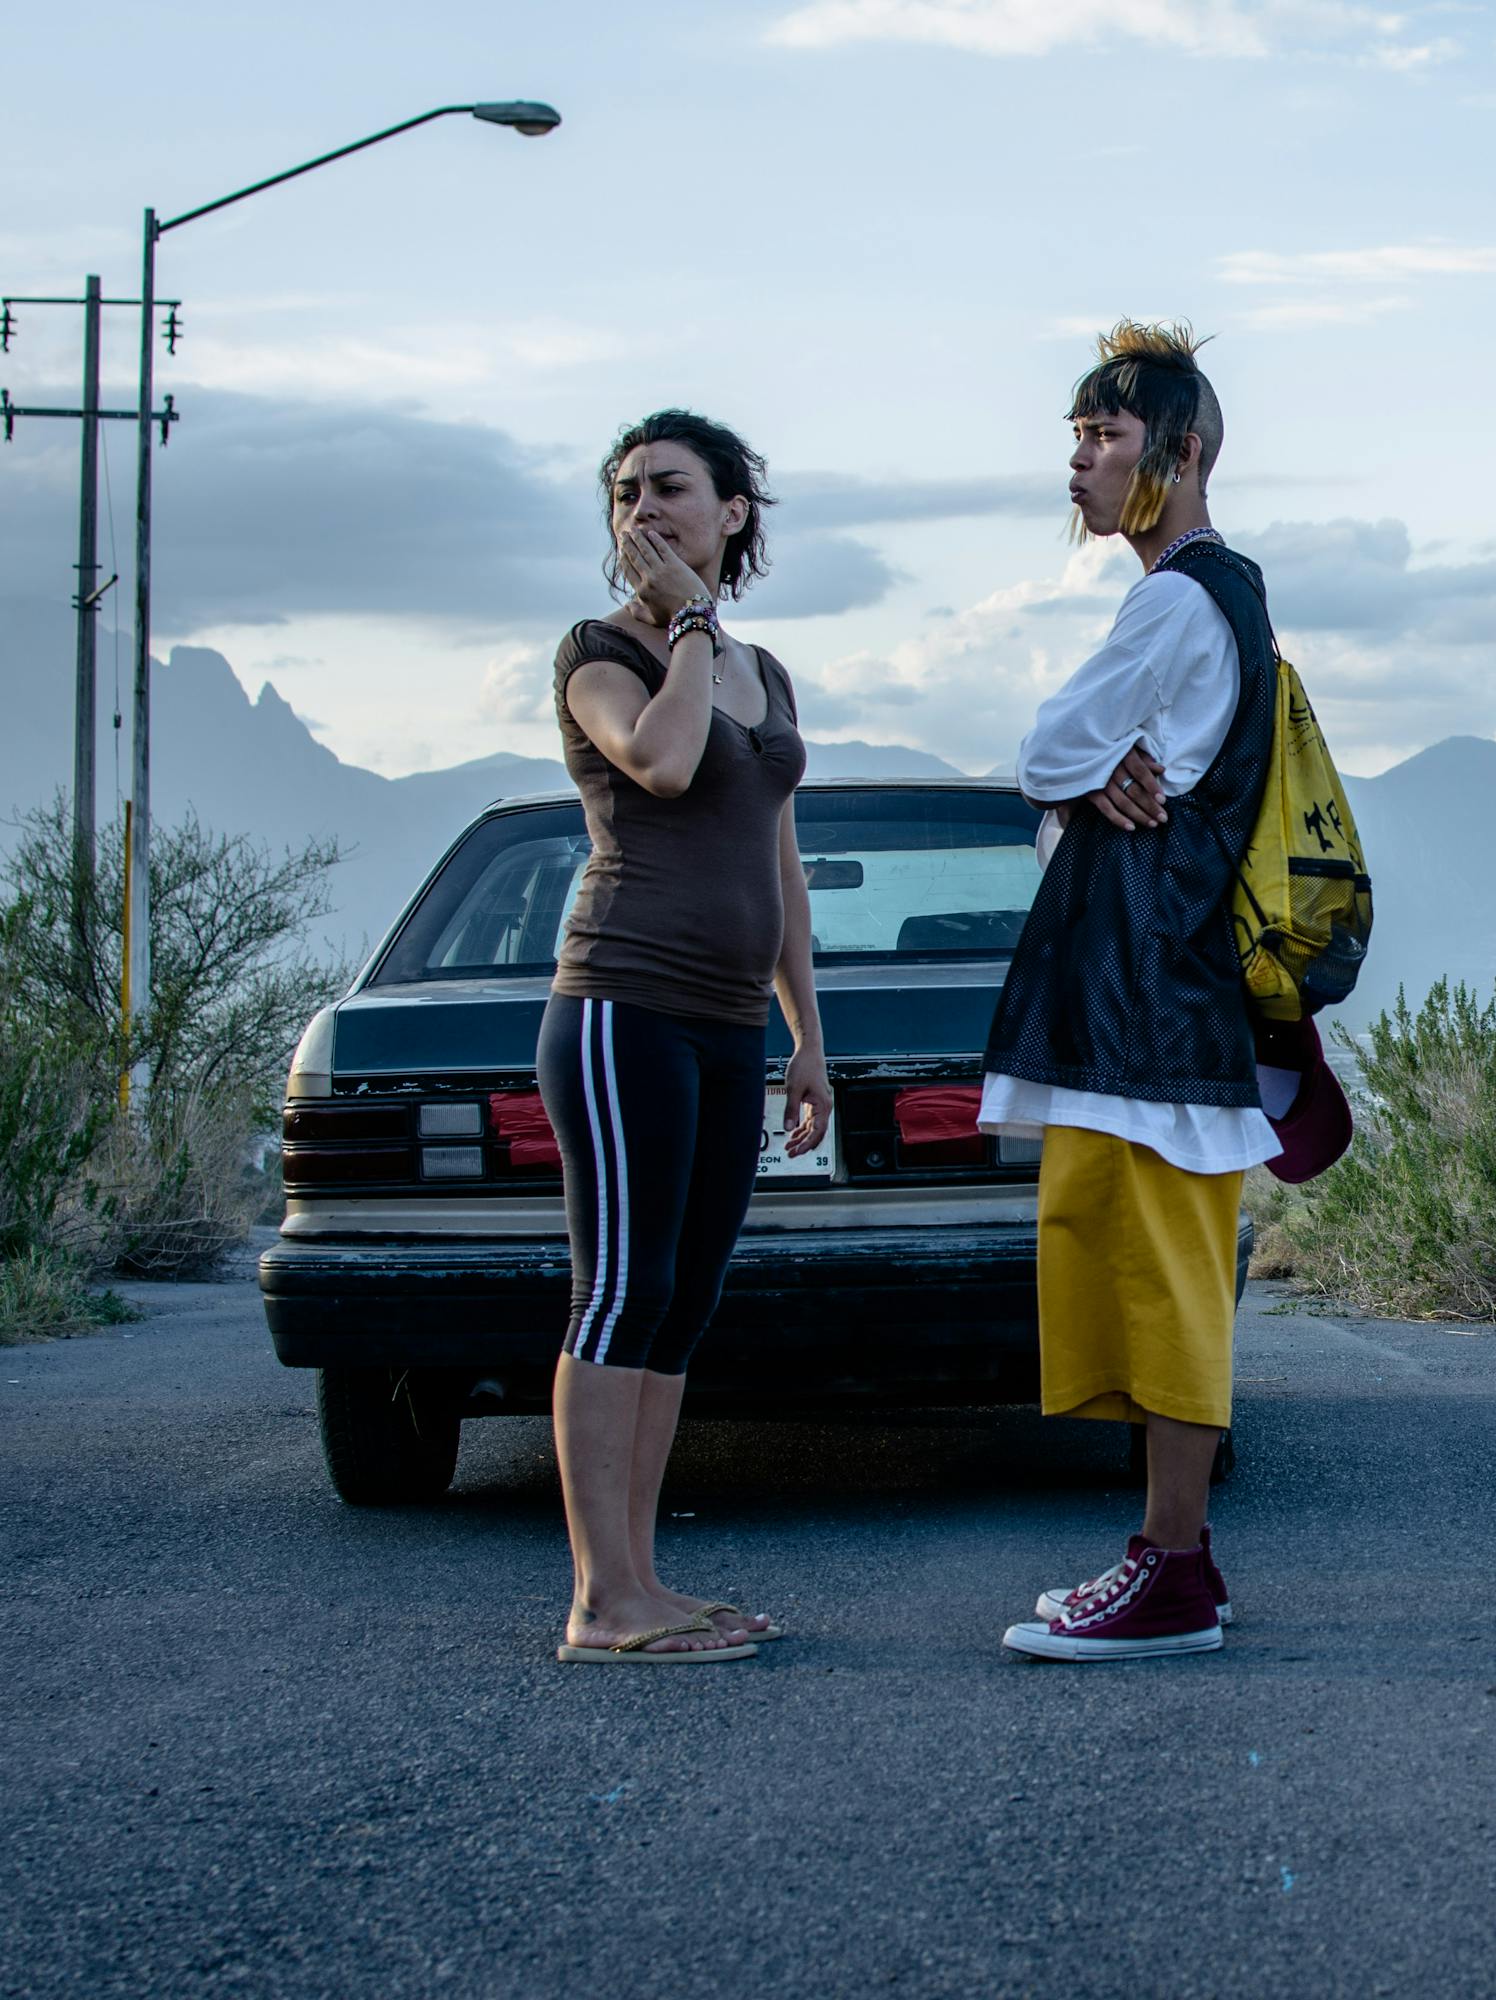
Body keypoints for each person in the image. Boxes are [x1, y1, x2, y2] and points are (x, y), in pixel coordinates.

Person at [980, 321, 1282, 1662]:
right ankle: (1166, 1559)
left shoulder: (1175, 598)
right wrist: (1084, 773)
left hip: (1147, 1002)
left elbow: (1048, 741)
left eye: (1102, 439)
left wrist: (1077, 767)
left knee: (1162, 1281)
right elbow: (1072, 763)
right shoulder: (1218, 595)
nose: (1079, 465)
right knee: (1143, 1268)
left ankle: (1175, 1570)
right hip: (1152, 999)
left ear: (1182, 450)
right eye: (1077, 440)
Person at [540, 410, 830, 1663]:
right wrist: (692, 631)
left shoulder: (760, 667)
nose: (640, 511)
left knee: (680, 1303)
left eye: (668, 488)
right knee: (620, 1290)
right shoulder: (601, 651)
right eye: (623, 495)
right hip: (620, 1005)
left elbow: (776, 856)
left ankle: (646, 1580)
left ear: (733, 513)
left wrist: (806, 1033)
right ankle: (601, 1601)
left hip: (723, 1026)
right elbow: (658, 764)